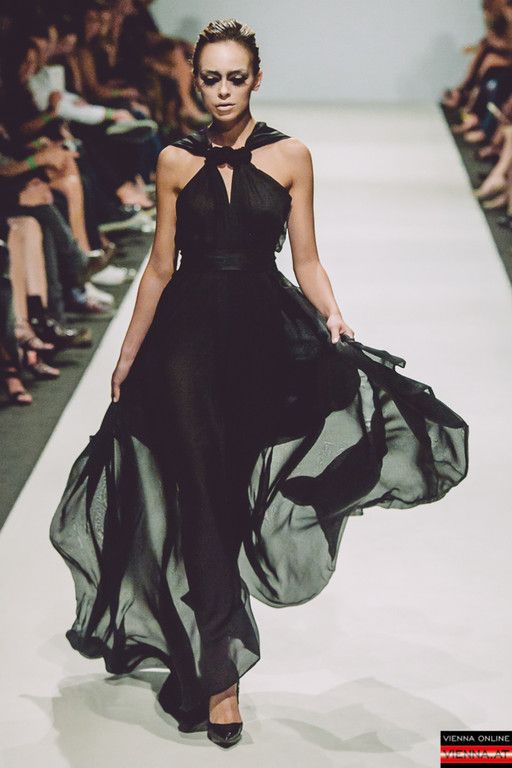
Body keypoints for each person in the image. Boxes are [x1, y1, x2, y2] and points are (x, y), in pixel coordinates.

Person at [49, 18, 470, 750]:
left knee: (232, 499)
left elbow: (306, 259)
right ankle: (223, 681)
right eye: (210, 78)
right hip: (185, 345)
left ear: (256, 79)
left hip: (262, 341)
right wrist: (128, 352)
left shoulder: (291, 156)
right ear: (194, 80)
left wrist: (332, 313)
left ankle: (207, 643)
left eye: (234, 78)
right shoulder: (173, 160)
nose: (222, 91)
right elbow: (159, 266)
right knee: (202, 500)